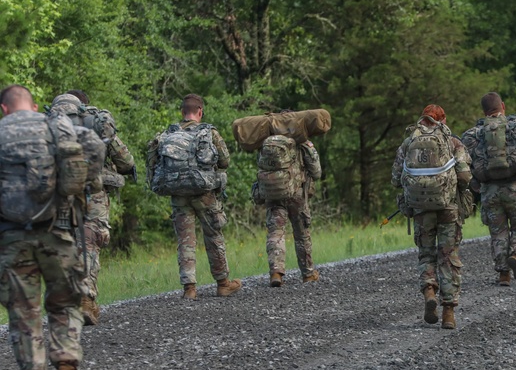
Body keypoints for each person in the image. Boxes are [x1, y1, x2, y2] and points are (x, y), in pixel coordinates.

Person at [0, 85, 103, 370]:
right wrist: (88, 184)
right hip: (58, 231)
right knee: (65, 303)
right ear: (33, 104)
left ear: (4, 109)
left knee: (24, 317)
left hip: (11, 238)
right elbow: (94, 146)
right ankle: (66, 369)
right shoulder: (54, 125)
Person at [47, 91, 135, 325]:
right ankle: (85, 300)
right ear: (83, 107)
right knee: (90, 240)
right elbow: (126, 161)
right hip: (91, 192)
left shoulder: (45, 125)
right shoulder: (94, 122)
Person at [146, 94, 241, 299]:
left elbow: (153, 161)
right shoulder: (209, 132)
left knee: (185, 240)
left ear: (182, 112)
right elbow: (225, 160)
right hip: (204, 193)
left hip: (178, 194)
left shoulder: (167, 134)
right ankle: (223, 283)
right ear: (200, 111)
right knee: (213, 235)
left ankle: (189, 289)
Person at [393, 105, 472, 329]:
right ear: (443, 120)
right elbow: (465, 176)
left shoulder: (409, 142)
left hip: (420, 210)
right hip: (448, 208)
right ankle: (448, 312)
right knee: (448, 257)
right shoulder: (452, 142)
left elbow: (396, 179)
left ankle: (429, 292)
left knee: (426, 255)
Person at [461, 92, 516, 285]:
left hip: (489, 190)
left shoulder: (473, 134)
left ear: (484, 111)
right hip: (515, 186)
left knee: (498, 232)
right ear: (503, 106)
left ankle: (503, 274)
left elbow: (465, 162)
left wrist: (475, 185)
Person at [255, 133, 322, 287]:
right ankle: (308, 274)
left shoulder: (266, 142)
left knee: (276, 233)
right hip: (296, 194)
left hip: (273, 194)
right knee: (301, 234)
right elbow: (317, 172)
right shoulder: (302, 142)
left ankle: (276, 273)